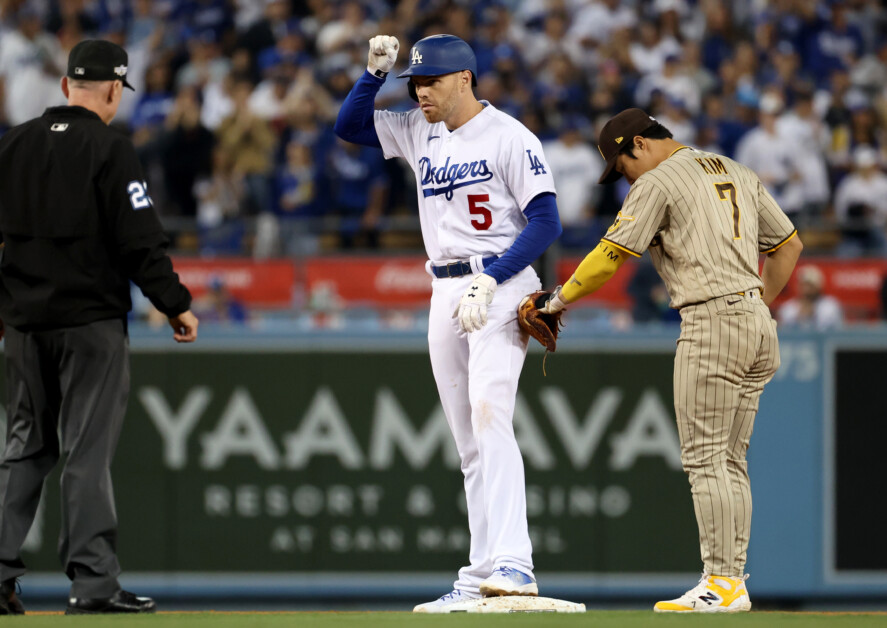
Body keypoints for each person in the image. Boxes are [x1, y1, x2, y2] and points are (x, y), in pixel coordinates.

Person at [537, 109, 802, 613]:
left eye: (622, 164)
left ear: (639, 143)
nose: (624, 177)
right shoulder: (736, 169)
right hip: (755, 320)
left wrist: (557, 299)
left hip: (711, 320)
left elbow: (611, 255)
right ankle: (732, 582)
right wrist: (754, 304)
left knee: (706, 459)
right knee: (729, 460)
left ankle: (721, 581)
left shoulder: (658, 181)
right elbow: (789, 247)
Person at [334, 34, 562, 612]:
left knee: (491, 419)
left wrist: (496, 277)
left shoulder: (511, 136)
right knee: (467, 443)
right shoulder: (418, 127)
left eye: (430, 81)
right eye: (414, 82)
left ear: (464, 78)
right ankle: (480, 571)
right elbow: (350, 127)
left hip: (502, 282)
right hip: (445, 287)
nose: (419, 91)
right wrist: (371, 76)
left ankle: (516, 563)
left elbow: (546, 221)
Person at [0, 39, 198, 616]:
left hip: (25, 327)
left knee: (23, 448)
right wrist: (175, 300)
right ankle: (93, 585)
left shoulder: (11, 145)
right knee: (84, 453)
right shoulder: (112, 149)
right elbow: (140, 240)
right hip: (90, 325)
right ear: (113, 90)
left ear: (65, 86)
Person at [777, 266, 843, 330]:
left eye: (810, 285)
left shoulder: (830, 306)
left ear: (818, 286)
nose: (806, 289)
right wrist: (799, 317)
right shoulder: (788, 307)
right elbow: (785, 332)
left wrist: (812, 315)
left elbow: (833, 331)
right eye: (803, 284)